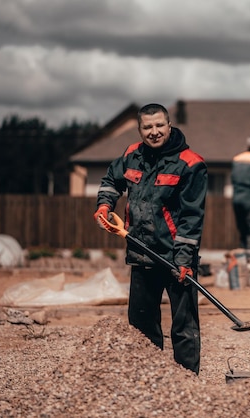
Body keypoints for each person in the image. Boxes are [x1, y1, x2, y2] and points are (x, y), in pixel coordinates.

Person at [93, 103, 207, 374]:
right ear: (140, 129)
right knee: (141, 328)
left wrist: (183, 259)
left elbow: (192, 218)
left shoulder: (191, 164)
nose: (154, 132)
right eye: (148, 127)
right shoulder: (132, 155)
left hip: (175, 258)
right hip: (141, 254)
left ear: (169, 126)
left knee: (184, 328)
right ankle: (149, 381)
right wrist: (104, 204)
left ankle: (186, 383)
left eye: (159, 125)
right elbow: (112, 181)